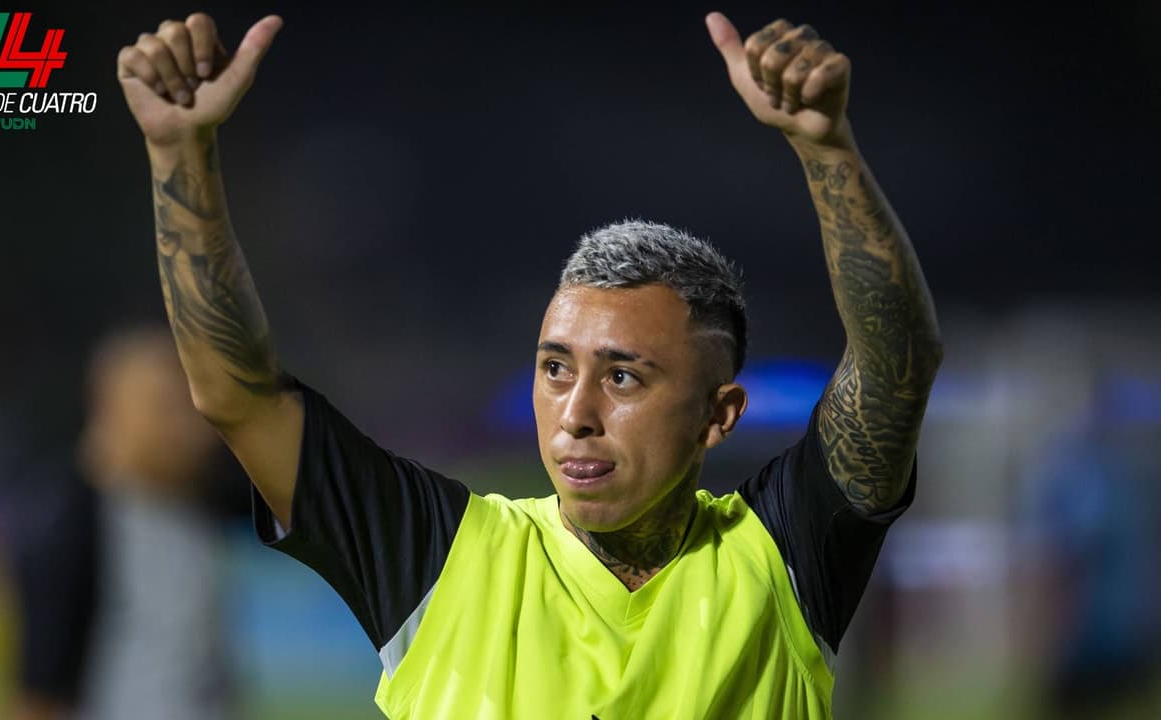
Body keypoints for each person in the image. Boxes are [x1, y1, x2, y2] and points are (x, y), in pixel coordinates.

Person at [115, 10, 942, 718]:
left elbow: (896, 364)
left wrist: (827, 149)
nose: (576, 413)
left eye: (623, 377)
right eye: (555, 369)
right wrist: (180, 153)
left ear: (717, 416)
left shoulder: (781, 555)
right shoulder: (435, 555)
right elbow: (238, 394)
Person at [10, 326, 244, 720]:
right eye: (164, 407)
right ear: (109, 409)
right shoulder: (71, 523)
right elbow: (38, 692)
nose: (186, 427)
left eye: (190, 406)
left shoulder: (194, 498)